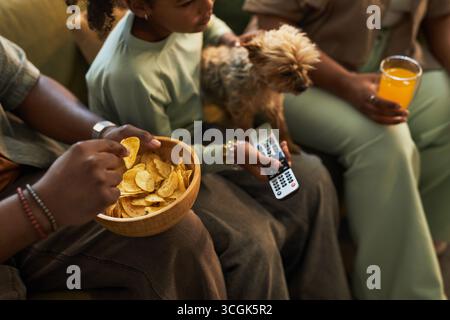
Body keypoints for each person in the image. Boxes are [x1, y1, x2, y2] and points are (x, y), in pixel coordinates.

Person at [83, 0, 351, 299]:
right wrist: (231, 153)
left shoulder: (185, 18)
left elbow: (210, 25)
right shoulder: (130, 76)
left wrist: (231, 40)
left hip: (200, 133)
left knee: (312, 177)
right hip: (163, 165)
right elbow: (166, 157)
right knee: (254, 240)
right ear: (141, 6)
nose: (207, 7)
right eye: (188, 2)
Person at [243, 0, 450, 299]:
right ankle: (401, 290)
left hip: (390, 57)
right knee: (384, 137)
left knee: (445, 111)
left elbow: (440, 19)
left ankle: (418, 248)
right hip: (296, 72)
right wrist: (347, 84)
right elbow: (270, 23)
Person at [0, 35, 226, 300]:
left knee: (182, 234)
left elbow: (24, 85)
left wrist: (103, 131)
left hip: (31, 172)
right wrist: (41, 205)